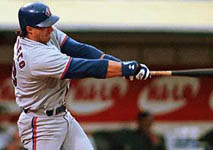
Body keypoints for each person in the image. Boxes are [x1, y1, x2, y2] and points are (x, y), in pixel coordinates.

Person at [12, 2, 150, 150]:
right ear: (29, 29)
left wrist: (120, 65)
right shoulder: (35, 56)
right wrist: (125, 68)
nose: (51, 28)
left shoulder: (41, 35)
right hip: (41, 123)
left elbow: (80, 49)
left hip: (61, 115)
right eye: (45, 25)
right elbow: (86, 68)